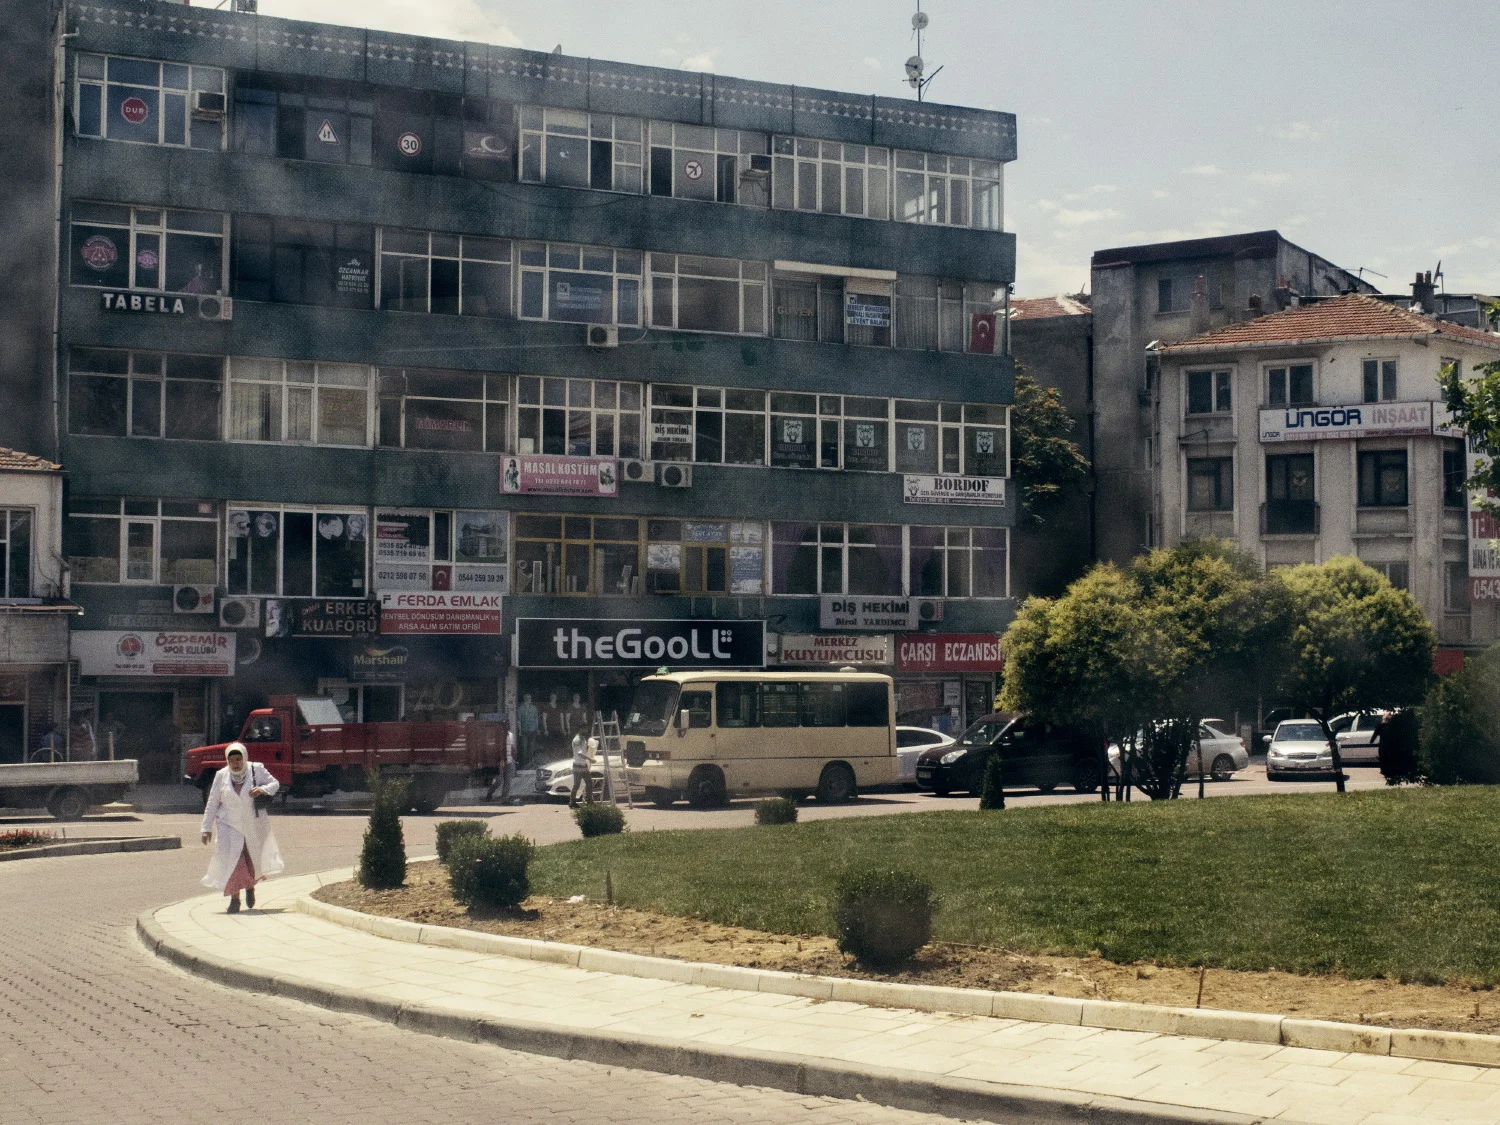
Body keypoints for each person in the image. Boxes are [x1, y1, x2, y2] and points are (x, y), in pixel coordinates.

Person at [199, 742, 284, 913]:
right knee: (232, 861)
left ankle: (250, 887)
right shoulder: (221, 775)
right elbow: (213, 802)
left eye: (238, 759)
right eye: (232, 760)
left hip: (250, 824)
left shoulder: (256, 769)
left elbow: (275, 784)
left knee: (249, 859)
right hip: (228, 825)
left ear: (244, 758)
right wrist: (206, 828)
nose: (235, 763)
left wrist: (263, 789)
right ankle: (234, 899)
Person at [568, 733, 592, 808]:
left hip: (583, 765)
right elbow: (580, 753)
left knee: (589, 783)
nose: (586, 730)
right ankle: (572, 802)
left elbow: (583, 751)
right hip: (578, 765)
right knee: (577, 785)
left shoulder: (583, 738)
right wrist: (590, 759)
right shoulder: (577, 740)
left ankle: (589, 800)